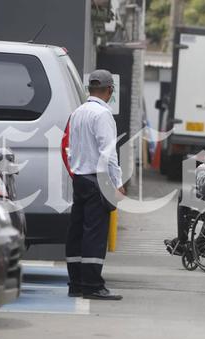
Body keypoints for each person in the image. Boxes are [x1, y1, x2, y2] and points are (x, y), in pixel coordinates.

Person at [66, 69, 124, 301]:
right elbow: (108, 153)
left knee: (77, 232)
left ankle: (76, 283)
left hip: (79, 178)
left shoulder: (78, 112)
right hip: (98, 179)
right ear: (109, 90)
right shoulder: (102, 114)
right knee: (95, 234)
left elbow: (71, 148)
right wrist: (117, 183)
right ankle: (92, 285)